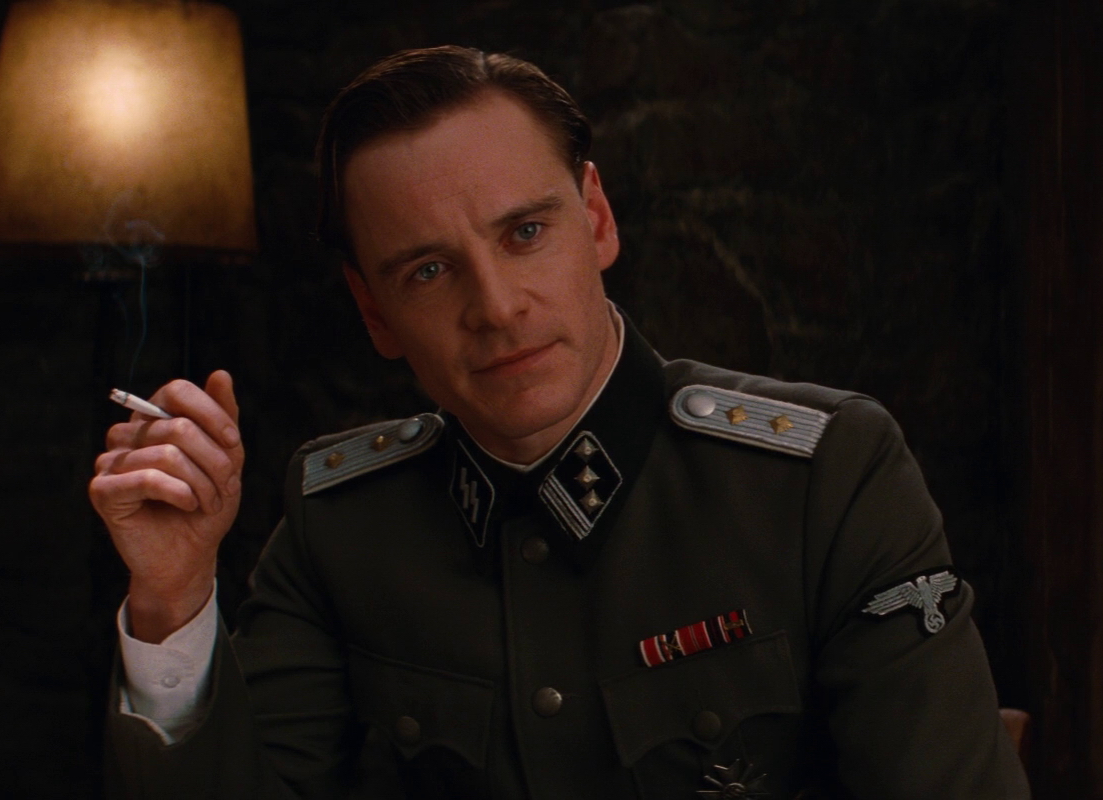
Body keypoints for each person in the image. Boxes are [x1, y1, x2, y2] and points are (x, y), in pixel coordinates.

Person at [89, 46, 1028, 800]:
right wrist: (174, 595)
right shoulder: (341, 525)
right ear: (374, 312)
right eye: (428, 271)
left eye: (525, 233)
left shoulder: (826, 479)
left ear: (598, 219)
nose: (497, 307)